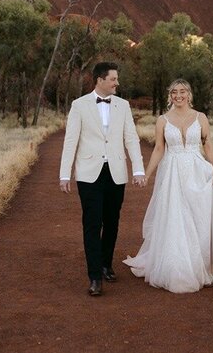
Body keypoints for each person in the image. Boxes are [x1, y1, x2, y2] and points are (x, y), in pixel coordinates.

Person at [123, 78, 213, 293]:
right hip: (172, 172)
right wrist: (146, 174)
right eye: (174, 92)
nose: (178, 95)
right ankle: (180, 266)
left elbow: (207, 144)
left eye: (182, 91)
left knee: (199, 216)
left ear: (189, 94)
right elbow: (158, 149)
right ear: (170, 95)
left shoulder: (200, 117)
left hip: (198, 170)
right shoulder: (163, 120)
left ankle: (204, 262)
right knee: (177, 216)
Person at [60, 61, 146, 296]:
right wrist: (64, 174)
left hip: (116, 171)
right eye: (113, 79)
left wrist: (138, 169)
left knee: (112, 221)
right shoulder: (79, 106)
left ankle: (106, 264)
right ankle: (94, 276)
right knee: (92, 223)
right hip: (89, 172)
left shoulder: (123, 105)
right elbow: (71, 140)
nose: (117, 83)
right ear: (100, 80)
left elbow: (131, 138)